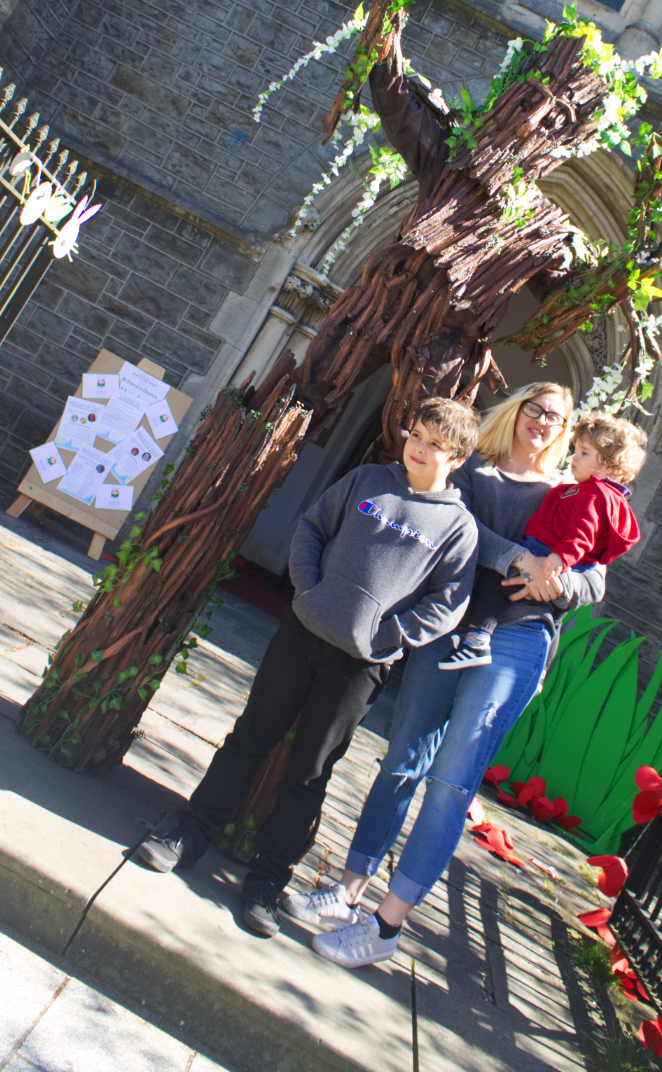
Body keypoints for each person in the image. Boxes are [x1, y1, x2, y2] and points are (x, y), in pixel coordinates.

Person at [282, 382, 609, 967]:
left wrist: (556, 582)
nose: (543, 421)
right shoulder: (471, 470)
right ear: (516, 410)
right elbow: (456, 530)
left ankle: (386, 926)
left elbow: (595, 579)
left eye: (557, 418)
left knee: (451, 783)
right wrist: (518, 557)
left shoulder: (572, 491)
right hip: (448, 630)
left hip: (517, 640)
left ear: (566, 431)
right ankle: (348, 894)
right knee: (401, 761)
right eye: (535, 408)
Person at [135, 395, 481, 940]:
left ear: (456, 459)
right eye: (416, 435)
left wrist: (387, 636)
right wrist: (308, 590)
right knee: (250, 738)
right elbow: (312, 529)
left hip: (361, 666)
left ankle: (267, 880)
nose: (419, 448)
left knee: (310, 772)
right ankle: (190, 833)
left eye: (435, 444)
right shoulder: (368, 480)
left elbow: (448, 604)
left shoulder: (458, 528)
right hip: (302, 634)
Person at [438, 410, 647, 669]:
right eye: (576, 450)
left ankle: (477, 640)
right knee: (543, 607)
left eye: (584, 454)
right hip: (549, 554)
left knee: (497, 580)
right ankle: (535, 666)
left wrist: (561, 557)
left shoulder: (594, 496)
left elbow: (582, 532)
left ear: (609, 468)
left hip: (550, 555)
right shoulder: (588, 491)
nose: (574, 457)